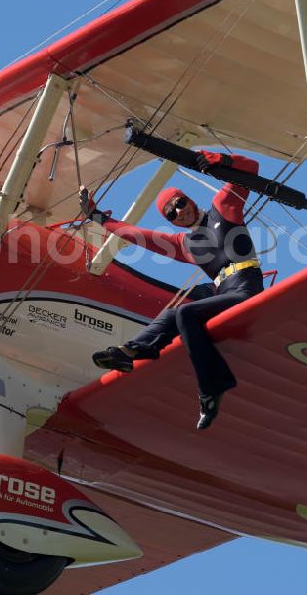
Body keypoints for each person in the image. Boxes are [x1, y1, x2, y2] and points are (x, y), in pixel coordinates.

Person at [80, 150, 264, 430]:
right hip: (223, 292)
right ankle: (130, 352)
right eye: (171, 213)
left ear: (188, 198)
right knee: (174, 314)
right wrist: (98, 218)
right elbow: (137, 236)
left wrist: (222, 161)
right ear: (171, 221)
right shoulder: (183, 244)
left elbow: (251, 168)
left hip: (246, 287)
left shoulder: (222, 206)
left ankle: (212, 388)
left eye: (180, 203)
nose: (179, 211)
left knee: (186, 314)